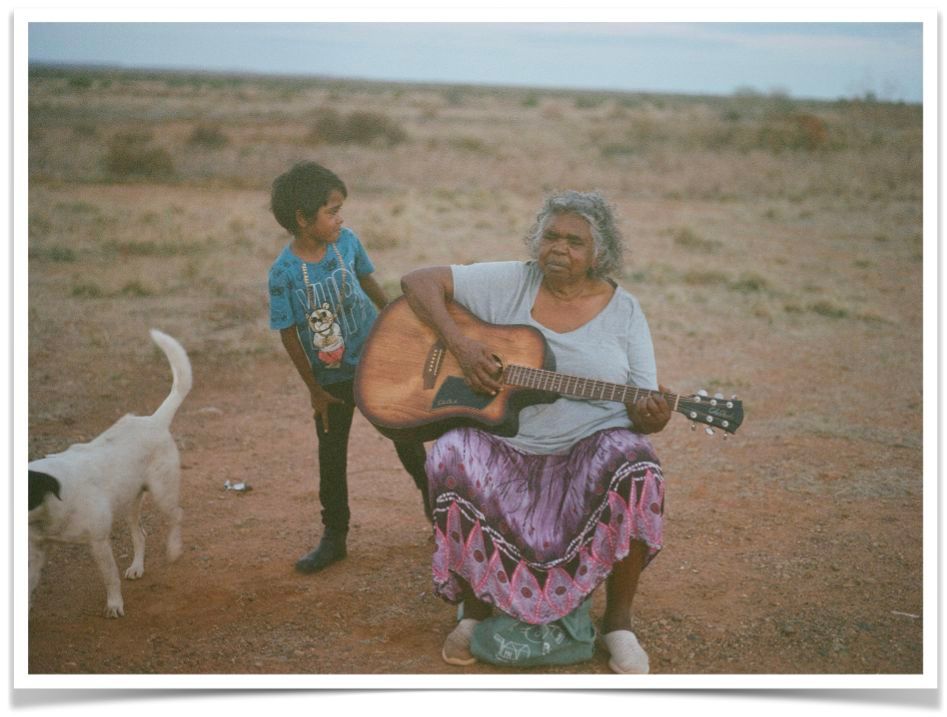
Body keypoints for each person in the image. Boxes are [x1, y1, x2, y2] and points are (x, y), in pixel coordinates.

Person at [400, 190, 672, 674]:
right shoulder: (510, 281)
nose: (559, 249)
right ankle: (475, 610)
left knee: (639, 460)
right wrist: (461, 346)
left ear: (599, 253)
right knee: (448, 451)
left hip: (585, 452)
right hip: (505, 444)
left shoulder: (625, 311)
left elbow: (643, 404)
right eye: (551, 236)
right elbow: (417, 281)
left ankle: (618, 623)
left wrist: (654, 414)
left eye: (575, 241)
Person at [268, 161, 431, 574]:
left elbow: (368, 281)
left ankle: (440, 513)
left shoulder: (348, 242)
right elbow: (288, 333)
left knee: (406, 438)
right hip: (330, 379)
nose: (340, 218)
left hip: (375, 360)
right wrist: (314, 389)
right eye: (332, 210)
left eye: (340, 209)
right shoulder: (283, 274)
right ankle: (334, 536)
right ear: (303, 219)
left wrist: (398, 320)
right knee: (331, 454)